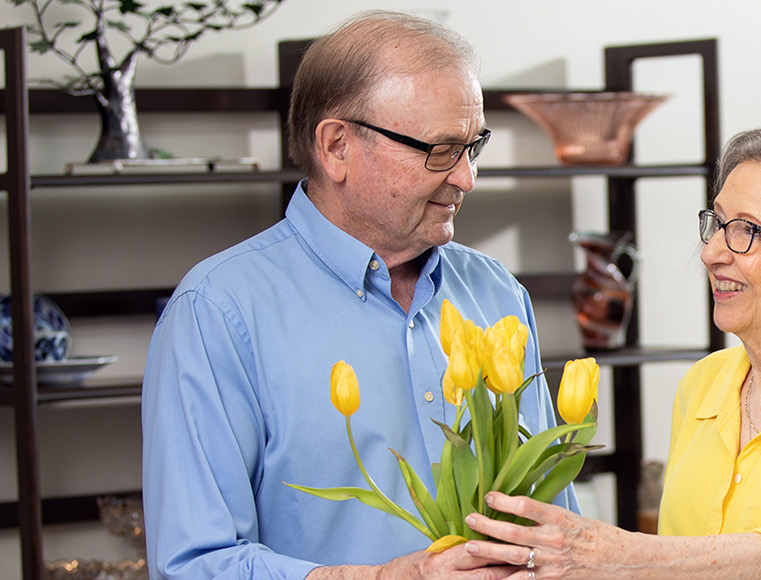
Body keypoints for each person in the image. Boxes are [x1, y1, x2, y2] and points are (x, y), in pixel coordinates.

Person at [140, 11, 577, 580]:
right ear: (337, 146)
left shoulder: (497, 293)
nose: (467, 177)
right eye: (440, 149)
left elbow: (552, 524)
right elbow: (192, 566)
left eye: (473, 146)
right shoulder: (216, 313)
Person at [460, 127, 761, 580]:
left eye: (748, 231)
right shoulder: (703, 384)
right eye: (717, 223)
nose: (711, 253)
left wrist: (616, 556)